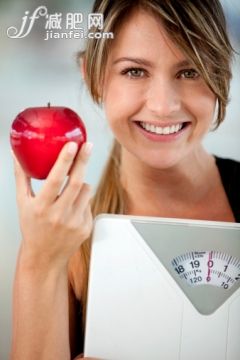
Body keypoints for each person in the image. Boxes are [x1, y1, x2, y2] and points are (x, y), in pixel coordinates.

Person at [10, 0, 240, 359]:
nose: (163, 106)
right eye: (135, 71)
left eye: (190, 71)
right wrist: (40, 260)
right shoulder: (62, 240)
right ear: (95, 77)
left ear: (220, 74)